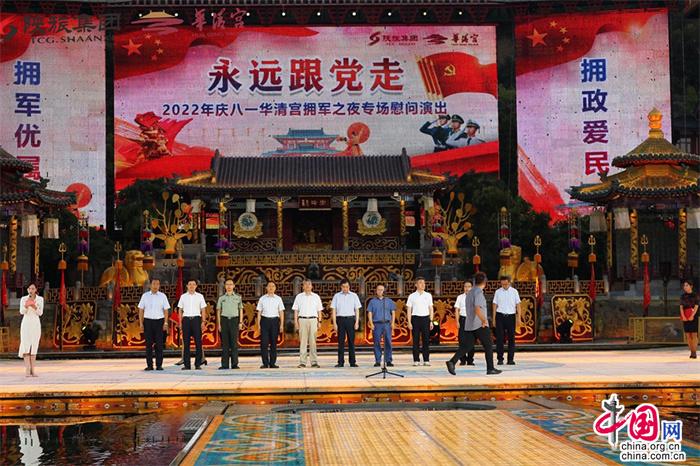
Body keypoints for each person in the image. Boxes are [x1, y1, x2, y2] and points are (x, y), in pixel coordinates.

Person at [446, 272, 502, 375]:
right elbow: (477, 309)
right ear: (485, 282)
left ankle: (452, 361)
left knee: (467, 346)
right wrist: (484, 320)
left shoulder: (470, 292)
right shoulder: (478, 293)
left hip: (470, 323)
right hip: (479, 323)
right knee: (488, 345)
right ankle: (490, 368)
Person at [137, 279, 170, 371]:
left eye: (157, 284)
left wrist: (165, 323)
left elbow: (166, 310)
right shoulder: (145, 296)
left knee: (159, 344)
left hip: (159, 322)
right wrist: (141, 323)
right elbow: (141, 310)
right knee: (148, 345)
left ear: (159, 286)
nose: (156, 286)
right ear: (150, 285)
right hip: (148, 322)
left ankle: (159, 365)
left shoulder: (163, 296)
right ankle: (149, 365)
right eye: (154, 284)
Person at [177, 279, 208, 370]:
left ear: (196, 286)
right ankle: (187, 365)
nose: (191, 286)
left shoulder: (200, 296)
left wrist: (203, 321)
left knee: (198, 342)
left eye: (193, 284)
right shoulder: (183, 296)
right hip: (186, 320)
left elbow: (203, 309)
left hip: (196, 320)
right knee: (186, 343)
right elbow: (180, 310)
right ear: (187, 286)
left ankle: (198, 364)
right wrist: (180, 322)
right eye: (190, 284)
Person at [293, 279, 324, 368]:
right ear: (303, 286)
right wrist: (296, 322)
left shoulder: (316, 297)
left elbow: (319, 310)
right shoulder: (299, 297)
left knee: (313, 342)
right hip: (302, 320)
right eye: (305, 284)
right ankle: (302, 362)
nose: (307, 286)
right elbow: (296, 310)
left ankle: (314, 362)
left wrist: (319, 321)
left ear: (312, 286)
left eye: (309, 284)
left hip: (313, 320)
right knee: (303, 342)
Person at [331, 278, 362, 368]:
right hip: (340, 320)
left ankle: (352, 362)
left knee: (351, 341)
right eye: (344, 287)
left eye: (347, 286)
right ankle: (340, 362)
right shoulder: (337, 296)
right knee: (341, 342)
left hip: (350, 320)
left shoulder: (354, 296)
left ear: (349, 286)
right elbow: (333, 310)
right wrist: (334, 323)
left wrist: (357, 322)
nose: (345, 288)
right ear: (341, 287)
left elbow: (357, 310)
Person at [493, 276, 521, 365]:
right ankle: (500, 359)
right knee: (500, 338)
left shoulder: (514, 292)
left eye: (505, 284)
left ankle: (510, 359)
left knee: (511, 338)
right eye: (502, 284)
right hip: (500, 316)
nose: (504, 286)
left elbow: (518, 305)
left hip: (511, 316)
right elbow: (494, 305)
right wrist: (494, 319)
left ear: (509, 282)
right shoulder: (498, 292)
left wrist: (519, 318)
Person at [256, 281, 285, 368]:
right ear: (266, 288)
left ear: (275, 288)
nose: (271, 288)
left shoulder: (278, 299)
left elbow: (281, 312)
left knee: (273, 343)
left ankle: (272, 363)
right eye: (269, 286)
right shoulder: (262, 299)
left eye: (273, 286)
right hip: (264, 321)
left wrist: (281, 324)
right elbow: (259, 312)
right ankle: (265, 363)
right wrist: (258, 325)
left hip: (275, 321)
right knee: (264, 343)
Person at [367, 284, 397, 367]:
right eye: (378, 289)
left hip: (387, 324)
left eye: (381, 290)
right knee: (377, 342)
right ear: (376, 291)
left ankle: (388, 360)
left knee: (388, 342)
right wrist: (371, 323)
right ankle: (378, 360)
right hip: (377, 324)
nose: (380, 291)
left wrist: (392, 323)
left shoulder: (389, 301)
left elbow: (393, 312)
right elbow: (369, 313)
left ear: (384, 291)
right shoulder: (372, 301)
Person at [216, 279, 243, 370]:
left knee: (234, 343)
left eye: (231, 284)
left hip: (234, 320)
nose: (229, 286)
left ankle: (235, 364)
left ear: (234, 286)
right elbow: (218, 311)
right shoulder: (221, 298)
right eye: (227, 284)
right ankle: (225, 364)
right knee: (225, 344)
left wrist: (240, 322)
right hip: (224, 320)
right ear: (225, 286)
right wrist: (219, 324)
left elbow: (240, 310)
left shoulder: (238, 297)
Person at [407, 277, 434, 366]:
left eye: (424, 283)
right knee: (416, 340)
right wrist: (409, 322)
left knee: (426, 340)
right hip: (415, 319)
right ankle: (416, 360)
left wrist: (431, 321)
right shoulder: (412, 296)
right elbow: (409, 310)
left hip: (425, 319)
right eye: (420, 283)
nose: (423, 284)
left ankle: (426, 359)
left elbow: (431, 308)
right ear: (416, 285)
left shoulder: (428, 295)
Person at [18, 283, 43, 377]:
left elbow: (40, 313)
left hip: (35, 323)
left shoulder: (40, 299)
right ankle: (27, 369)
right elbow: (21, 312)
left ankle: (33, 370)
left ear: (36, 289)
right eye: (29, 289)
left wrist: (34, 306)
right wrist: (26, 305)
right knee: (26, 345)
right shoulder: (23, 299)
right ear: (27, 290)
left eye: (33, 288)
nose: (31, 290)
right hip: (26, 323)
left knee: (34, 345)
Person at [454, 281, 475, 366]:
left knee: (471, 341)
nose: (467, 288)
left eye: (469, 286)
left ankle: (470, 360)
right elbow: (457, 310)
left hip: (471, 320)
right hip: (462, 319)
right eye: (465, 286)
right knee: (462, 340)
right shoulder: (460, 297)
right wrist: (457, 321)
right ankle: (462, 360)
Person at [680, 279, 698, 359]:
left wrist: (692, 316)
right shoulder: (682, 296)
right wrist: (683, 316)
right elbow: (681, 307)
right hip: (685, 315)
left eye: (687, 285)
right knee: (688, 335)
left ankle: (694, 352)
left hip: (693, 315)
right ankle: (691, 351)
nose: (685, 287)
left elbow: (696, 306)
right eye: (684, 285)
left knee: (694, 334)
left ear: (691, 286)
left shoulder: (695, 295)